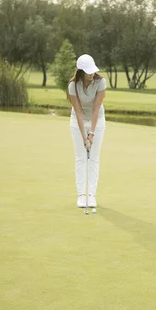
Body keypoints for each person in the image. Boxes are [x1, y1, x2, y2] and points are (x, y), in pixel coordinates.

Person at [68, 54, 106, 208]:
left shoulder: (100, 82)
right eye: (88, 71)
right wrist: (84, 136)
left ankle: (91, 195)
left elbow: (96, 109)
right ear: (81, 71)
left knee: (94, 158)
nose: (91, 74)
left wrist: (92, 134)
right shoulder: (73, 85)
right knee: (80, 158)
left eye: (92, 70)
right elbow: (78, 112)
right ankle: (81, 196)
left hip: (98, 120)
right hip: (78, 122)